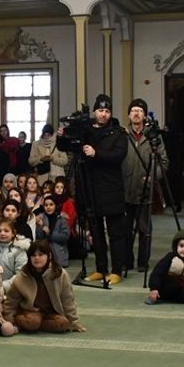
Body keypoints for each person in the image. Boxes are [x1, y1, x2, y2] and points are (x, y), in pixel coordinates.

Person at [59, 94, 129, 284]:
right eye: (100, 110)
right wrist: (61, 135)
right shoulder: (85, 130)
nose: (103, 114)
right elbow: (68, 146)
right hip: (89, 187)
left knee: (115, 232)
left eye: (107, 111)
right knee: (96, 232)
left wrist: (96, 153)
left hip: (111, 188)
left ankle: (116, 270)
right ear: (95, 111)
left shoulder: (118, 133)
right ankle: (100, 268)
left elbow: (118, 155)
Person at [120, 98, 169, 273]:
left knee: (144, 230)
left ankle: (143, 262)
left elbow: (163, 162)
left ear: (145, 115)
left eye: (140, 111)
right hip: (125, 189)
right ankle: (126, 261)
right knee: (125, 230)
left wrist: (153, 176)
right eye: (133, 110)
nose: (136, 113)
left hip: (145, 191)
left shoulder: (153, 136)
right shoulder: (122, 135)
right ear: (128, 114)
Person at [2, 239, 82, 334]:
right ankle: (32, 324)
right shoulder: (23, 275)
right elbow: (11, 300)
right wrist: (9, 319)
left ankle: (39, 326)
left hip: (52, 311)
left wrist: (74, 322)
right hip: (31, 310)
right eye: (33, 255)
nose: (36, 258)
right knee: (32, 322)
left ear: (49, 256)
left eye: (40, 255)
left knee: (63, 324)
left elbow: (68, 299)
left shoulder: (60, 274)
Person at [146, 230, 184, 305]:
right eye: (181, 246)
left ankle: (172, 297)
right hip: (166, 285)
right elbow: (157, 273)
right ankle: (157, 295)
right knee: (173, 285)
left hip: (181, 288)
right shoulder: (170, 258)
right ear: (176, 246)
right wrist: (154, 288)